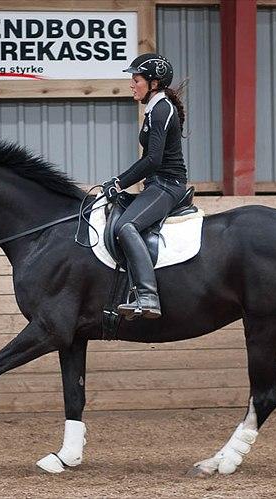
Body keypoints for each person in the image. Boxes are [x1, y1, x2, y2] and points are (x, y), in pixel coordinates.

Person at [101, 53, 188, 321]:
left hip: (167, 185)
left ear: (153, 83)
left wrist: (119, 181)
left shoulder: (162, 109)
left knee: (126, 227)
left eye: (136, 79)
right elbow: (146, 160)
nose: (131, 84)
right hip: (155, 184)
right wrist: (118, 182)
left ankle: (148, 295)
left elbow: (153, 160)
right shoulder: (154, 108)